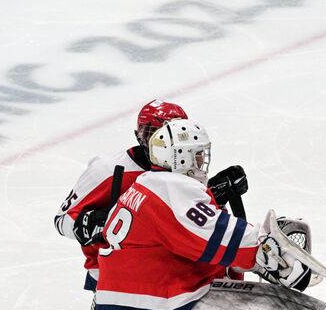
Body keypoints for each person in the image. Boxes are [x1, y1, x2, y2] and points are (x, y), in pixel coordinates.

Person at [91, 118, 309, 310]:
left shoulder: (146, 183)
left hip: (132, 308)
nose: (201, 161)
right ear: (179, 157)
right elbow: (212, 233)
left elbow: (186, 237)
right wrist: (264, 250)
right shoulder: (169, 188)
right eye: (196, 155)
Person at [53, 99, 249, 292]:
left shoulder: (181, 162)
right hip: (116, 271)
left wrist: (216, 193)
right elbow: (62, 220)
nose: (164, 141)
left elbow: (179, 215)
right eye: (153, 133)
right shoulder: (106, 170)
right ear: (138, 136)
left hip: (163, 268)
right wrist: (99, 223)